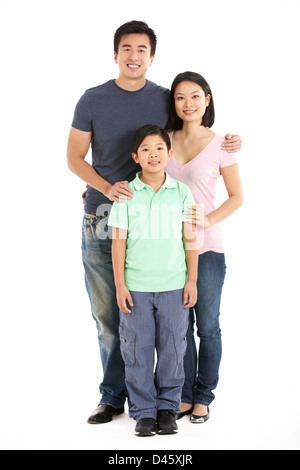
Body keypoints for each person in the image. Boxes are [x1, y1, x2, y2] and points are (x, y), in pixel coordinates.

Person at [67, 20, 242, 425]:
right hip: (102, 214)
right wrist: (105, 188)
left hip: (159, 221)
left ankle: (169, 397)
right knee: (109, 314)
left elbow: (191, 127)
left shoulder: (165, 99)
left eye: (142, 50)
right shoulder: (92, 99)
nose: (134, 57)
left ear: (152, 56)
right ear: (115, 54)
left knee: (169, 317)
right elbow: (74, 157)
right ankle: (114, 396)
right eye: (126, 49)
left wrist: (230, 142)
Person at [108, 125, 198, 437]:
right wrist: (120, 285)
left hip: (174, 284)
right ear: (136, 156)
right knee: (137, 350)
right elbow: (118, 242)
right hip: (136, 287)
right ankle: (144, 412)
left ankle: (167, 408)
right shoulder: (126, 194)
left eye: (160, 148)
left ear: (169, 154)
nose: (153, 154)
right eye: (145, 149)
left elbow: (190, 238)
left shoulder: (182, 192)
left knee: (174, 348)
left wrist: (192, 280)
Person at [165, 71, 243, 423]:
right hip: (166, 249)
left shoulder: (221, 144)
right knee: (178, 326)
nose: (188, 103)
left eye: (195, 96)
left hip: (207, 249)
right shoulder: (163, 140)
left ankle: (203, 396)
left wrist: (209, 220)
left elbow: (237, 196)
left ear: (207, 99)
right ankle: (182, 394)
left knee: (207, 325)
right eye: (180, 97)